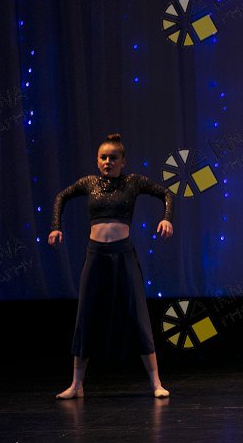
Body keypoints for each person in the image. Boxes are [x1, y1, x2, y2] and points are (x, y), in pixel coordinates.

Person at [49, 133, 174, 399]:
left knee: (138, 313)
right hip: (96, 255)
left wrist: (166, 219)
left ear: (123, 161)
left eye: (113, 158)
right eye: (103, 157)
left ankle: (156, 383)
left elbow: (165, 193)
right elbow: (61, 197)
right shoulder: (89, 183)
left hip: (123, 254)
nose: (108, 162)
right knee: (86, 314)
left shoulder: (133, 182)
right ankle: (76, 385)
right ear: (97, 161)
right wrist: (56, 227)